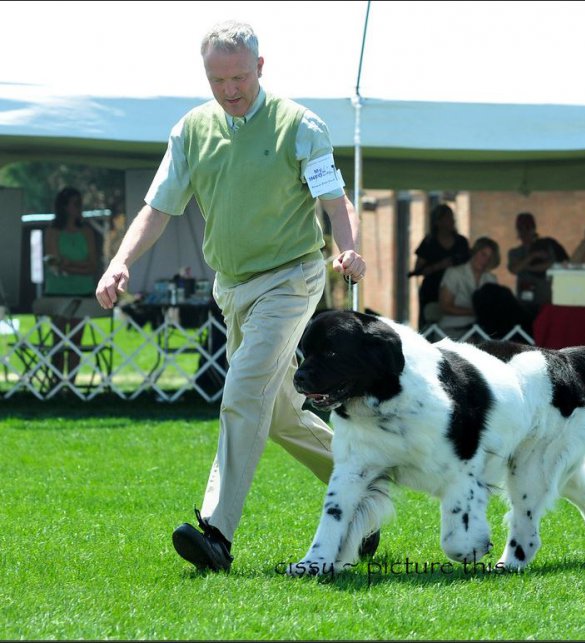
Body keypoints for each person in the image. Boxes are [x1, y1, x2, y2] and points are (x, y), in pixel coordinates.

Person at [95, 21, 369, 573]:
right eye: (217, 79)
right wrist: (120, 260)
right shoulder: (191, 129)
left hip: (291, 279)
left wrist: (349, 249)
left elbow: (336, 202)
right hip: (233, 288)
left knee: (243, 391)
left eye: (239, 77)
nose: (230, 89)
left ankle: (216, 533)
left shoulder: (299, 125)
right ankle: (362, 497)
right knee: (279, 417)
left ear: (261, 68)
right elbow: (158, 207)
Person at [43, 187, 99, 384]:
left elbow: (92, 265)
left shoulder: (87, 232)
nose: (79, 208)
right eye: (76, 204)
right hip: (57, 292)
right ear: (65, 206)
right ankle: (56, 382)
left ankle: (71, 383)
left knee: (76, 341)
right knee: (58, 340)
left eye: (80, 203)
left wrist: (69, 265)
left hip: (82, 291)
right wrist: (74, 266)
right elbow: (54, 263)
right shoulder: (53, 231)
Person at [410, 204, 470, 328]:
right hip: (432, 290)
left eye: (452, 218)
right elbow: (418, 270)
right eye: (447, 218)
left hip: (456, 290)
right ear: (438, 221)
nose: (452, 221)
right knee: (430, 323)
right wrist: (440, 265)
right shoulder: (429, 242)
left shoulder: (461, 242)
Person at [437, 236, 500, 338]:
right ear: (474, 252)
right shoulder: (454, 273)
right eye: (483, 254)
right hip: (451, 330)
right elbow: (445, 306)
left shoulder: (491, 279)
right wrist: (475, 312)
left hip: (482, 331)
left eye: (489, 258)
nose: (485, 260)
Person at [507, 212, 569, 311]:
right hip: (524, 303)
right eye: (521, 229)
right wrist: (533, 256)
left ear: (533, 229)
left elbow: (553, 265)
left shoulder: (547, 245)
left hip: (545, 300)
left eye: (527, 228)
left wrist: (525, 266)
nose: (524, 233)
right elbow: (514, 269)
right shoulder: (515, 252)